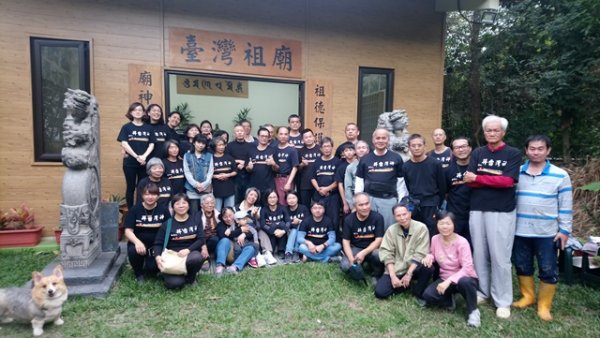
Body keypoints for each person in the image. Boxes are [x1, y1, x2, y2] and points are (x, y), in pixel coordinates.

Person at [462, 115, 521, 319]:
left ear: (503, 132)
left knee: (500, 256)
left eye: (496, 130)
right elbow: (469, 181)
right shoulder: (478, 153)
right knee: (479, 252)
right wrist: (490, 179)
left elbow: (507, 182)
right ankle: (482, 291)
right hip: (478, 208)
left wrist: (480, 178)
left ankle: (503, 300)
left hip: (501, 210)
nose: (492, 133)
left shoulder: (512, 154)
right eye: (488, 130)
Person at [512, 135, 572, 321]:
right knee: (522, 265)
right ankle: (528, 296)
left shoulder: (560, 175)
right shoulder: (517, 172)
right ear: (526, 150)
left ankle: (544, 305)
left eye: (540, 149)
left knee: (548, 268)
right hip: (520, 229)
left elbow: (566, 204)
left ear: (548, 151)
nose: (535, 152)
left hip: (547, 232)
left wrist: (564, 230)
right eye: (532, 148)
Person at [422, 211, 480, 327]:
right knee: (428, 295)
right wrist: (429, 256)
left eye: (448, 223)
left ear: (454, 224)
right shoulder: (435, 239)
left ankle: (473, 311)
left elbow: (467, 267)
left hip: (463, 278)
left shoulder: (462, 242)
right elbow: (433, 254)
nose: (444, 227)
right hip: (444, 278)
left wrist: (449, 281)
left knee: (465, 282)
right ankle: (449, 301)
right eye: (441, 223)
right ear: (437, 225)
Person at [374, 203, 433, 301]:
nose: (402, 218)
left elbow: (420, 253)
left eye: (404, 214)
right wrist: (393, 276)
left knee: (428, 267)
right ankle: (405, 286)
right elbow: (387, 253)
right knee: (380, 293)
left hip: (414, 267)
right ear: (394, 217)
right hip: (397, 267)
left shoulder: (421, 228)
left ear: (410, 213)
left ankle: (418, 291)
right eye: (398, 215)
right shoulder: (391, 230)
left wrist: (408, 274)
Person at [154, 194, 208, 289]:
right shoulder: (167, 224)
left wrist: (188, 250)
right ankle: (172, 274)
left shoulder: (196, 220)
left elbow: (201, 239)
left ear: (189, 205)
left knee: (196, 257)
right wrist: (158, 257)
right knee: (175, 284)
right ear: (173, 207)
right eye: (177, 203)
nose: (181, 206)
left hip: (189, 256)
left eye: (184, 203)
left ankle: (191, 278)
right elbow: (158, 243)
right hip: (173, 258)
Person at [355, 128, 407, 229]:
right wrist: (358, 200)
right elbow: (359, 182)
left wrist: (401, 202)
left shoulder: (396, 158)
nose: (380, 141)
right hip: (369, 200)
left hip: (389, 200)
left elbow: (401, 182)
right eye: (378, 138)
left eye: (384, 138)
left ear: (388, 140)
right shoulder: (365, 159)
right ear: (373, 140)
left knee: (389, 229)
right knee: (370, 228)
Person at [124, 183, 170, 284]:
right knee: (133, 251)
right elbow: (128, 231)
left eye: (153, 194)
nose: (150, 197)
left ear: (158, 196)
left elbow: (168, 228)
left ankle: (153, 266)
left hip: (157, 244)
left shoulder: (163, 210)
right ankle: (138, 273)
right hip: (139, 242)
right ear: (142, 196)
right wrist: (137, 242)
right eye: (147, 194)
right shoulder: (134, 210)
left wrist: (161, 245)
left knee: (152, 269)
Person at [403, 134, 446, 236]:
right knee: (414, 232)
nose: (416, 148)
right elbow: (408, 186)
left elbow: (442, 187)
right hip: (414, 203)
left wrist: (438, 205)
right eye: (413, 146)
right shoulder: (406, 166)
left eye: (419, 145)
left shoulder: (435, 164)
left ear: (425, 146)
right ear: (409, 147)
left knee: (431, 231)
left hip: (431, 203)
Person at [117, 102, 155, 208]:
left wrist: (144, 157)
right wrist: (137, 156)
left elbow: (152, 144)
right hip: (130, 163)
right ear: (131, 112)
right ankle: (130, 211)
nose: (138, 112)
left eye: (140, 110)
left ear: (143, 113)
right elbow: (124, 143)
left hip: (144, 163)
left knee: (142, 187)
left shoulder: (149, 128)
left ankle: (140, 208)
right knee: (130, 187)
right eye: (135, 110)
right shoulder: (126, 127)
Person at [340, 193, 385, 284]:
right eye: (361, 205)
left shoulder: (378, 217)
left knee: (378, 255)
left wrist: (363, 253)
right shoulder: (349, 220)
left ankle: (376, 274)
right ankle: (358, 270)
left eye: (367, 203)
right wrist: (352, 260)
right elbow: (345, 242)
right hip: (356, 248)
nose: (365, 207)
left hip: (373, 248)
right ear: (355, 206)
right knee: (345, 266)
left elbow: (379, 240)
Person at [445, 137, 473, 244]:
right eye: (457, 147)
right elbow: (446, 193)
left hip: (475, 213)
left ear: (470, 148)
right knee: (456, 245)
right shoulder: (447, 171)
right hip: (455, 214)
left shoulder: (477, 168)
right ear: (452, 151)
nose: (461, 150)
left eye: (463, 146)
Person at [311, 137, 342, 228]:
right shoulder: (317, 161)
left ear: (332, 147)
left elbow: (338, 180)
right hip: (319, 195)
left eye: (329, 146)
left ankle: (334, 240)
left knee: (334, 219)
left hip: (333, 196)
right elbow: (312, 178)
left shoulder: (337, 162)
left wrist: (327, 189)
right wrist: (319, 189)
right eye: (324, 146)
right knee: (319, 218)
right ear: (320, 148)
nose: (327, 149)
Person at [216, 208, 259, 274]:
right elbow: (224, 235)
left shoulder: (241, 221)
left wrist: (244, 234)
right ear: (222, 218)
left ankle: (234, 267)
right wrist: (241, 230)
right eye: (225, 217)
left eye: (230, 215)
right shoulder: (221, 225)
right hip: (229, 252)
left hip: (240, 251)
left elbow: (252, 229)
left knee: (251, 248)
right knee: (224, 240)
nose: (229, 219)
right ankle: (220, 266)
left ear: (234, 214)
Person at [183, 134, 214, 215]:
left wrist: (204, 184)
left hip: (206, 189)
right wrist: (196, 184)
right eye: (198, 142)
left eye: (203, 143)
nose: (201, 145)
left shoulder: (209, 156)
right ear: (194, 142)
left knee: (207, 213)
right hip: (191, 190)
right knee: (194, 214)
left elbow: (210, 172)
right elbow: (187, 172)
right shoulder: (187, 156)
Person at [246, 127, 279, 199]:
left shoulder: (273, 150)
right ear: (258, 137)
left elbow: (277, 169)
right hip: (254, 187)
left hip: (268, 186)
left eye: (266, 136)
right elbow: (247, 169)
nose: (264, 138)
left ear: (269, 138)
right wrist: (249, 167)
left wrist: (273, 164)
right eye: (262, 136)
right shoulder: (251, 150)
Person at [259, 189, 290, 262]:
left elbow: (288, 221)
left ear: (277, 198)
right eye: (270, 197)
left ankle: (281, 250)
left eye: (274, 197)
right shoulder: (264, 210)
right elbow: (262, 224)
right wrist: (273, 231)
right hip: (271, 233)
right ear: (267, 199)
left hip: (282, 233)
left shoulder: (282, 208)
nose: (272, 199)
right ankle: (272, 250)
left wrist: (283, 231)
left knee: (282, 224)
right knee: (272, 225)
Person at [226, 124, 254, 204]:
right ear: (234, 134)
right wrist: (237, 161)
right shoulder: (230, 146)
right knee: (236, 199)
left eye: (241, 131)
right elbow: (227, 160)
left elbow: (252, 159)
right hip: (235, 176)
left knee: (247, 198)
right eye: (237, 131)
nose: (239, 133)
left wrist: (244, 164)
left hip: (248, 176)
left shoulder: (250, 146)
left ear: (245, 133)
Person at [198, 194, 224, 273]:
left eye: (212, 203)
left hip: (214, 240)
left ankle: (211, 254)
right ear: (202, 205)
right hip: (202, 241)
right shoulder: (197, 216)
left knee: (215, 239)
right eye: (207, 203)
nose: (210, 205)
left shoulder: (219, 215)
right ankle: (205, 257)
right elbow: (198, 233)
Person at [274, 126, 299, 205]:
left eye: (285, 134)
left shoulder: (292, 149)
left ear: (288, 136)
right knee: (276, 202)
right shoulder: (274, 148)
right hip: (275, 178)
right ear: (277, 135)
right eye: (281, 134)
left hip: (287, 179)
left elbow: (295, 167)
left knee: (287, 202)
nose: (283, 136)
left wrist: (289, 183)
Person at [211, 137, 237, 211]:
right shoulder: (210, 158)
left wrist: (227, 175)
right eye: (219, 145)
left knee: (230, 211)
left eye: (223, 145)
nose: (222, 147)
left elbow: (235, 171)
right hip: (216, 190)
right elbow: (206, 174)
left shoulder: (229, 157)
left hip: (229, 189)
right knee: (216, 211)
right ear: (214, 146)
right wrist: (216, 176)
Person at [297, 128, 321, 207]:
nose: (308, 139)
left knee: (318, 205)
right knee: (305, 206)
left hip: (319, 183)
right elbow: (297, 168)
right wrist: (302, 165)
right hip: (305, 184)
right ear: (302, 140)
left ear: (314, 137)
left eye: (310, 136)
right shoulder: (300, 151)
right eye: (306, 137)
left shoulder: (320, 149)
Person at [284, 191, 309, 263]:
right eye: (289, 198)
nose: (291, 200)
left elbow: (308, 222)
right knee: (295, 230)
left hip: (302, 233)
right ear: (286, 200)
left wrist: (299, 221)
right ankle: (295, 251)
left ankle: (288, 252)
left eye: (293, 198)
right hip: (289, 232)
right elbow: (285, 223)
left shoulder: (303, 208)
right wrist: (294, 224)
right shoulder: (285, 209)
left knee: (298, 227)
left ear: (297, 198)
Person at [344, 140, 370, 211]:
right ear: (355, 151)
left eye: (363, 148)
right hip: (357, 200)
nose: (361, 150)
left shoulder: (372, 164)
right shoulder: (350, 167)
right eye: (359, 148)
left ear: (368, 150)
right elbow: (347, 187)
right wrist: (352, 205)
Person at [336, 144, 356, 215]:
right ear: (343, 153)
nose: (349, 152)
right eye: (346, 151)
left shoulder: (359, 164)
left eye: (351, 150)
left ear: (355, 151)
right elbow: (340, 185)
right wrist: (345, 203)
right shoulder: (341, 167)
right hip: (347, 197)